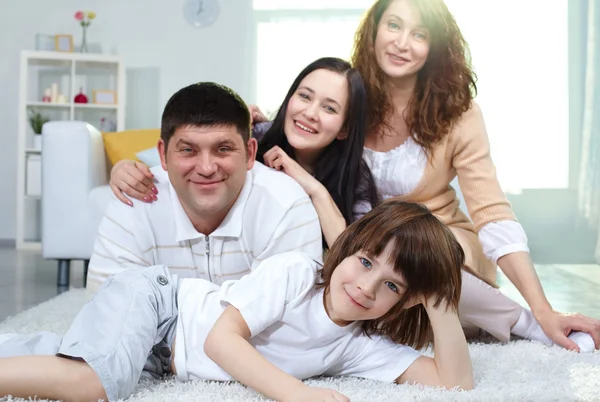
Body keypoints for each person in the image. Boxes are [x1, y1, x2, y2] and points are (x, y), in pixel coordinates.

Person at [108, 1, 600, 352]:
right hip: (353, 255)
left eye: (420, 33)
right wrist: (126, 166)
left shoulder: (455, 113)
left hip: (431, 238)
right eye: (394, 24)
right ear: (374, 28)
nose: (403, 42)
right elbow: (208, 147)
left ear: (346, 127)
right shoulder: (317, 111)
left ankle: (523, 325)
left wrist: (542, 307)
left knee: (403, 254)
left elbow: (490, 211)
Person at [0, 200, 473, 402]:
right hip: (162, 306)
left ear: (407, 301)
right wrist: (297, 393)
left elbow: (453, 385)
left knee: (65, 358)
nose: (367, 288)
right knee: (96, 384)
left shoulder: (359, 343)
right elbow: (220, 341)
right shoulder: (296, 273)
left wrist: (439, 302)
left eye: (393, 286)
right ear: (346, 248)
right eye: (367, 262)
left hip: (163, 359)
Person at [109, 57, 379, 248]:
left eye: (329, 108)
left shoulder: (355, 175)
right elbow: (181, 151)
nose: (310, 113)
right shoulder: (256, 136)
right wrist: (123, 169)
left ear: (345, 128)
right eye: (305, 96)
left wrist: (314, 188)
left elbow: (354, 256)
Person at [86, 81, 323, 294]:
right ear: (162, 154)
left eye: (223, 149)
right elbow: (106, 314)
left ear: (250, 153)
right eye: (188, 150)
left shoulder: (286, 205)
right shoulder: (133, 201)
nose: (206, 168)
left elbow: (292, 324)